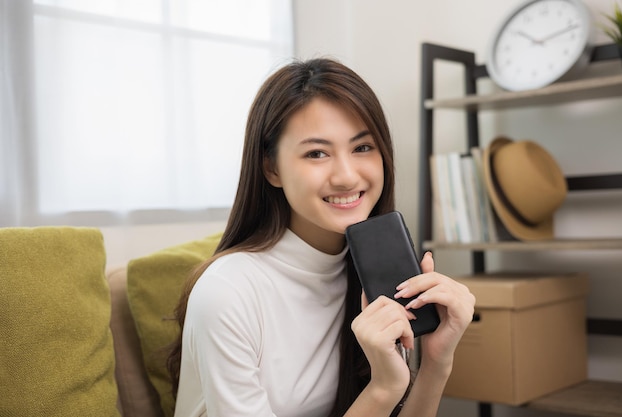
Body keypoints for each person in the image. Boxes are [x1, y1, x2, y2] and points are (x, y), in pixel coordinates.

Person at [167, 58, 475, 417]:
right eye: (317, 153)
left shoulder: (378, 275)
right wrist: (384, 388)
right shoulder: (228, 292)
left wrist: (437, 362)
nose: (346, 176)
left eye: (362, 147)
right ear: (272, 168)